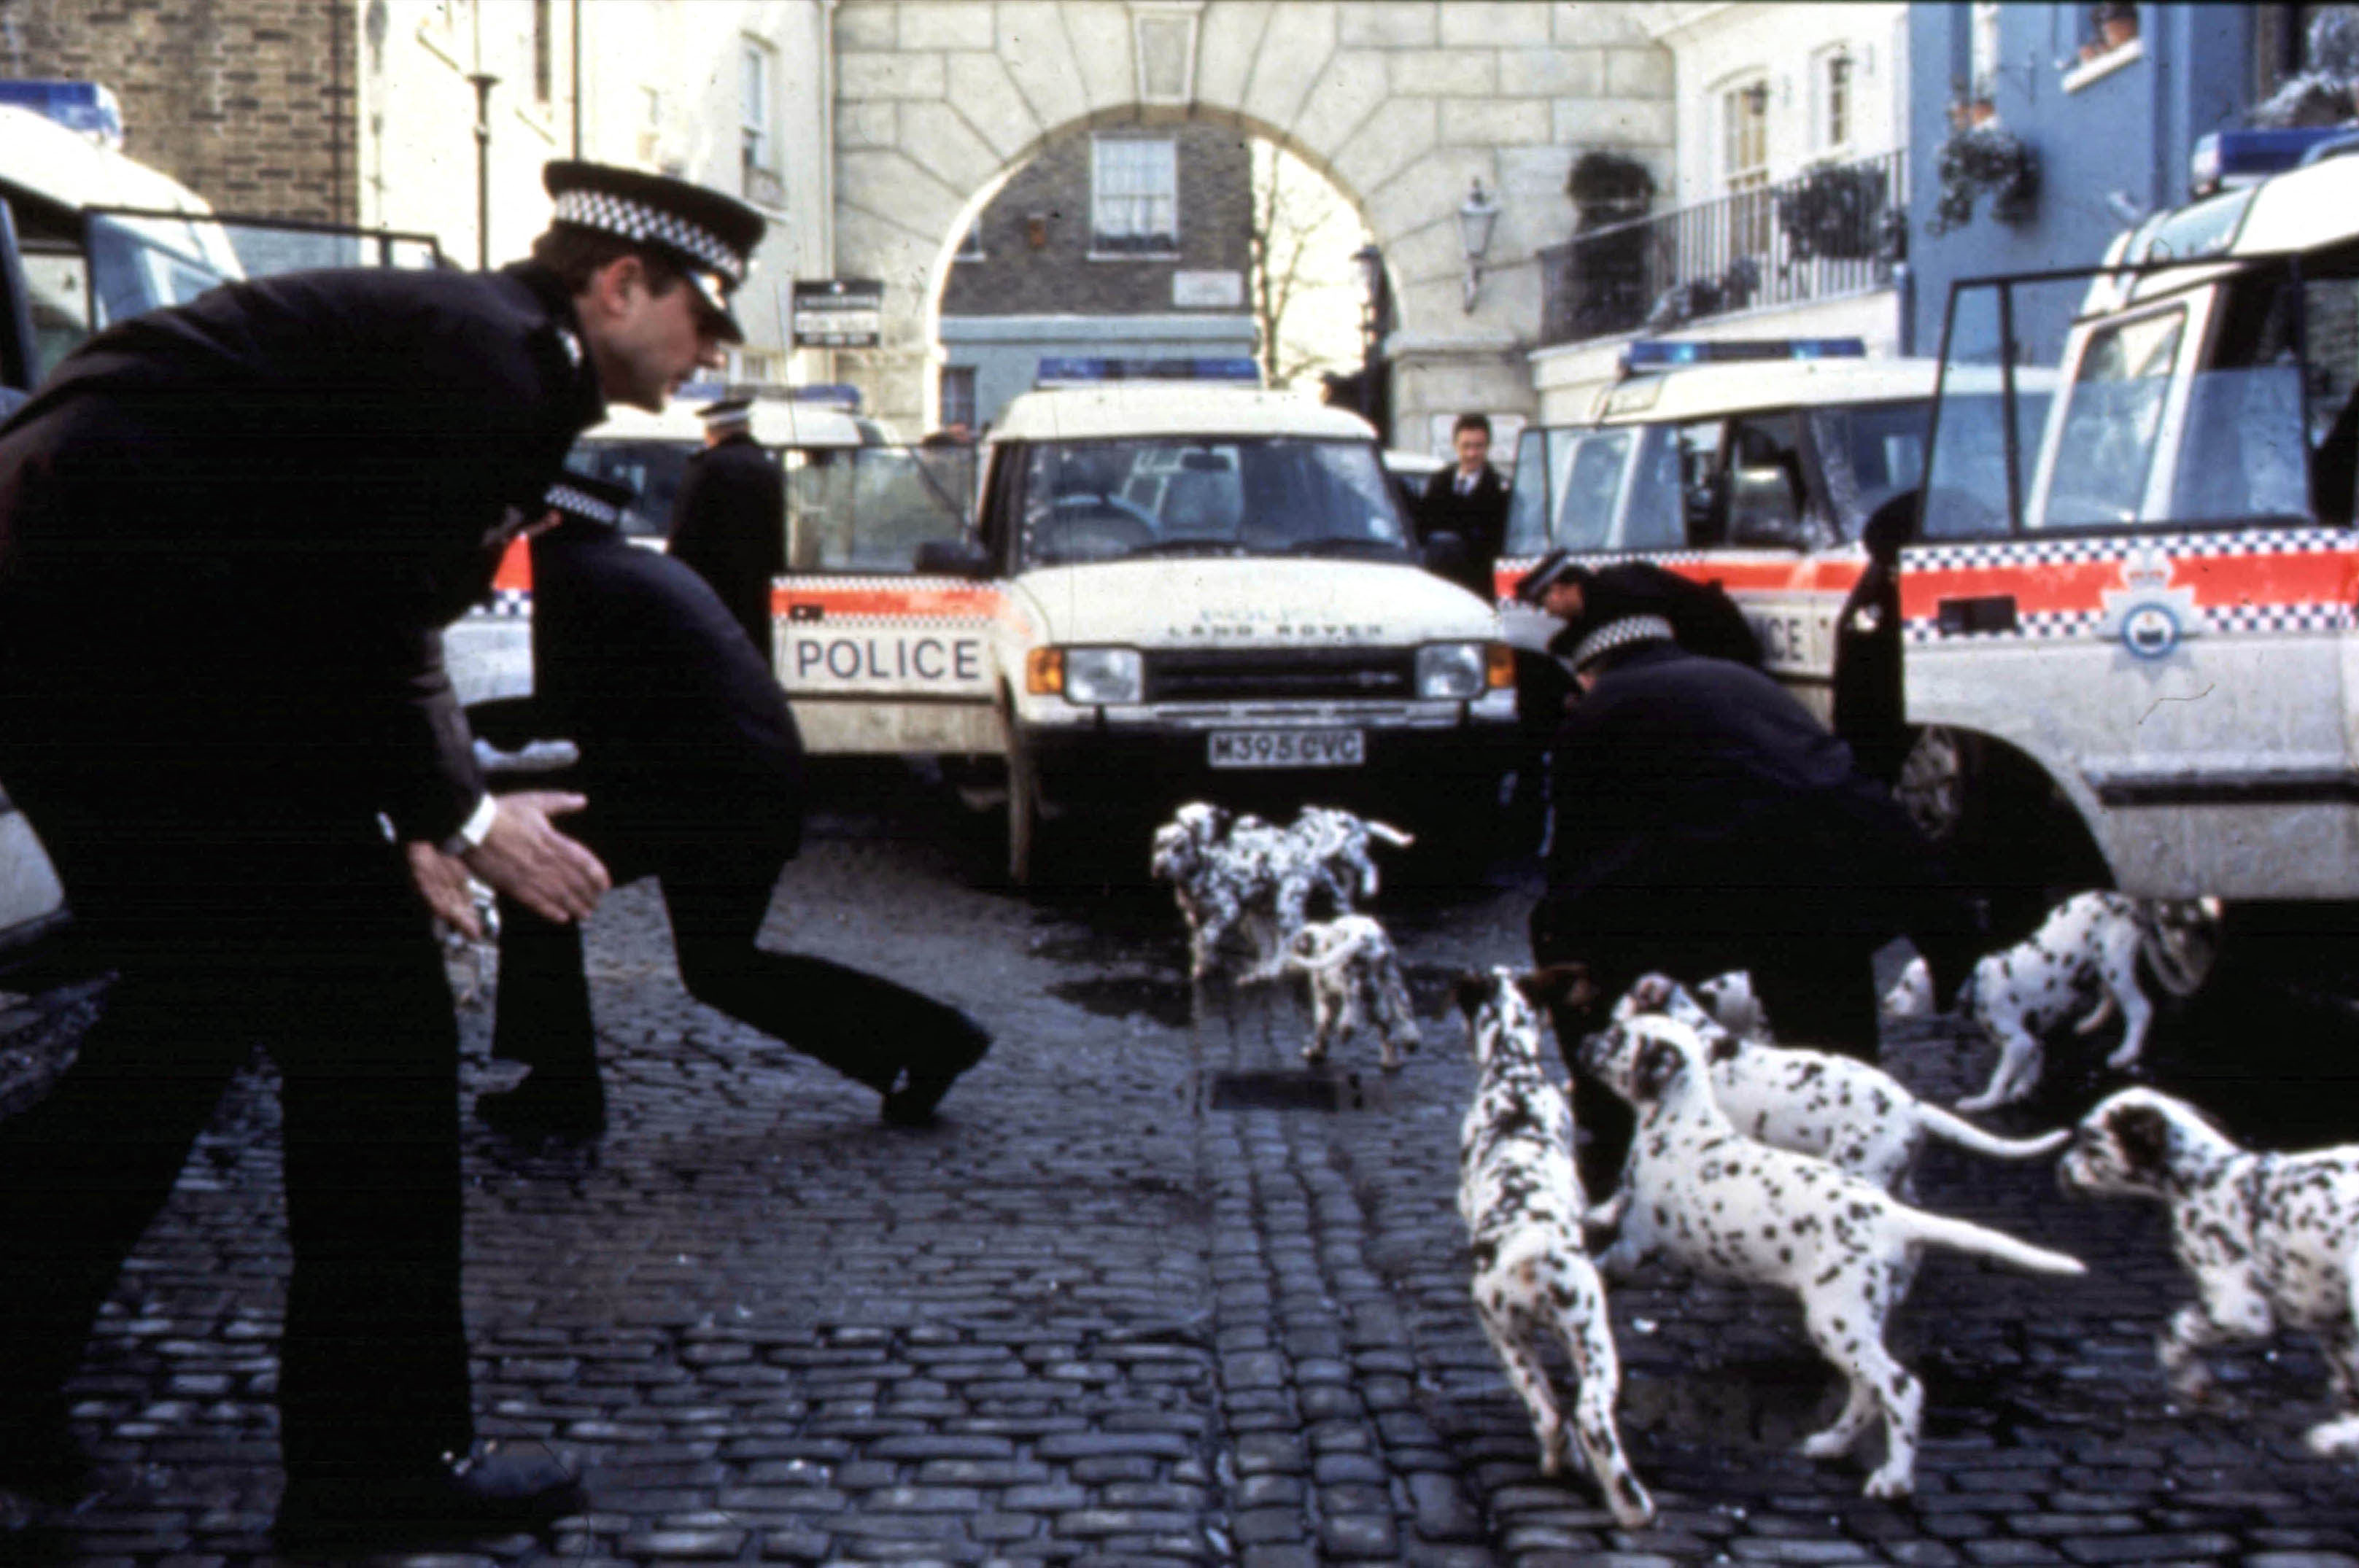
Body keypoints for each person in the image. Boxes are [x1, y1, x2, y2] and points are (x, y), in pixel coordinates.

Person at [0, 158, 764, 1550]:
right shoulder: (489, 367)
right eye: (703, 318)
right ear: (617, 284)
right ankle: (375, 1465)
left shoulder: (480, 355)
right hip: (136, 636)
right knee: (377, 1047)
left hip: (100, 645)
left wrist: (420, 816)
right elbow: (346, 594)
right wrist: (461, 822)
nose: (714, 351)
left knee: (188, 1021)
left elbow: (388, 612)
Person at [481, 474, 991, 1143]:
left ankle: (562, 1090)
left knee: (533, 877)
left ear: (542, 522)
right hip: (745, 787)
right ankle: (933, 1040)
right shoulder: (633, 565)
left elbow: (543, 705)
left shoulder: (567, 578)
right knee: (723, 966)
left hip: (711, 795)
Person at [1527, 572, 1982, 1193]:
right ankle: (1855, 1152)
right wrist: (1946, 930)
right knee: (1832, 1047)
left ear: (1589, 669)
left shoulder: (1600, 711)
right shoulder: (1743, 680)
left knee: (1564, 932)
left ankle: (1611, 1126)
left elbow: (1578, 856)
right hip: (1844, 879)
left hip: (1747, 887)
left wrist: (1573, 953)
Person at [667, 393, 786, 656]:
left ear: (713, 433)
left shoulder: (706, 467)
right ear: (747, 429)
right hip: (758, 581)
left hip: (712, 583)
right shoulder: (770, 467)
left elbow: (685, 532)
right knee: (753, 646)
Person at [1417, 412, 1510, 600]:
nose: (1471, 454)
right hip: (1441, 585)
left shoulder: (1502, 490)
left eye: (1478, 446)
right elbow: (1423, 528)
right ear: (1455, 445)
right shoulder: (1438, 483)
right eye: (1465, 446)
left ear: (1488, 447)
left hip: (1479, 587)